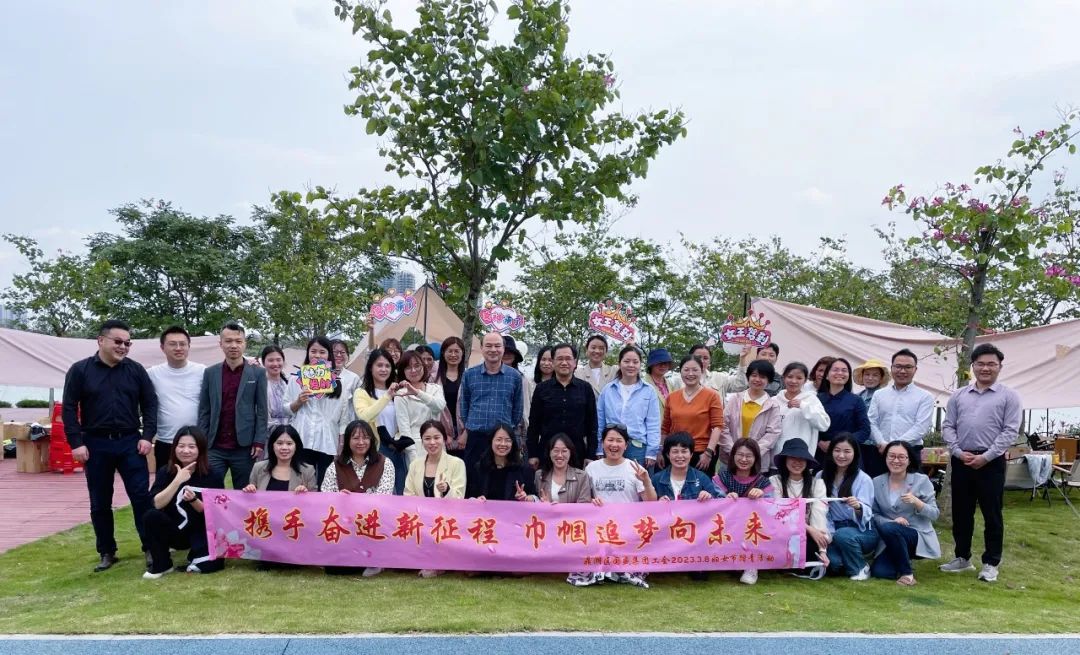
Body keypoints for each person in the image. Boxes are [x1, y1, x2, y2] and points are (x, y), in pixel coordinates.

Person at [63, 319, 158, 573]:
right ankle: (106, 551)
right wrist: (76, 443)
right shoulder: (80, 370)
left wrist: (147, 436)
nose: (123, 347)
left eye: (127, 343)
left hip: (130, 442)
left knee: (141, 497)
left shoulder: (136, 370)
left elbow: (150, 404)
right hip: (95, 444)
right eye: (118, 341)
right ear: (101, 340)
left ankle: (151, 547)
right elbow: (69, 408)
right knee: (100, 500)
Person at [939, 343, 1022, 584]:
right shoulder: (959, 395)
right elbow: (948, 426)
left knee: (992, 514)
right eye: (981, 364)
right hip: (961, 460)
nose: (986, 368)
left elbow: (1010, 431)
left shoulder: (1009, 396)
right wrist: (957, 451)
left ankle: (991, 562)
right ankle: (962, 557)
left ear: (1000, 367)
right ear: (973, 366)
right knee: (961, 512)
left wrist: (986, 456)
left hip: (992, 462)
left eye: (991, 364)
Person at [573, 425, 657, 588]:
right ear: (602, 443)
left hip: (628, 529)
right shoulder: (591, 468)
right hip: (600, 528)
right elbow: (583, 499)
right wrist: (592, 501)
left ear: (626, 445)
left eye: (619, 441)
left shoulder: (635, 468)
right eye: (610, 440)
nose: (614, 445)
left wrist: (646, 481)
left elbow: (651, 503)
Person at [142, 426, 224, 578]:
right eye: (181, 446)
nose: (186, 451)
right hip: (175, 529)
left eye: (191, 447)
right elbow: (156, 503)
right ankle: (162, 564)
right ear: (175, 448)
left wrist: (193, 500)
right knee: (151, 516)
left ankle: (197, 554)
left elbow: (216, 512)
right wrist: (177, 481)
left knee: (209, 566)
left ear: (200, 449)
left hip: (201, 530)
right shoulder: (165, 471)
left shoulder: (213, 474)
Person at [197, 321, 268, 490]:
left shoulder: (257, 373)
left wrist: (259, 441)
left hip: (244, 446)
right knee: (211, 491)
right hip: (214, 446)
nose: (233, 345)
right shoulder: (210, 373)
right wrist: (202, 441)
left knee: (245, 493)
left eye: (238, 341)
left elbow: (262, 410)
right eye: (228, 341)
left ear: (245, 344)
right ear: (220, 344)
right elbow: (204, 410)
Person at [320, 420, 395, 577]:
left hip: (373, 524)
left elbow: (384, 496)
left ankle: (374, 560)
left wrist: (354, 502)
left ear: (372, 440)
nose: (361, 442)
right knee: (334, 569)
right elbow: (326, 496)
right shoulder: (335, 465)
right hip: (345, 525)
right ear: (348, 440)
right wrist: (339, 498)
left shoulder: (385, 463)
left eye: (365, 438)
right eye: (355, 438)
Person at [871, 441, 940, 586]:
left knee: (891, 529)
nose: (896, 460)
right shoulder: (876, 482)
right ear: (885, 458)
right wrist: (891, 522)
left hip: (916, 534)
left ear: (909, 460)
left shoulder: (921, 480)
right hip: (890, 533)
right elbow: (874, 514)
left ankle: (907, 574)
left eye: (901, 457)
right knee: (880, 572)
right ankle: (902, 557)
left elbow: (934, 514)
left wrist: (917, 502)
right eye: (892, 456)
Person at [405, 420, 467, 578]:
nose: (432, 442)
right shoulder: (415, 465)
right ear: (422, 441)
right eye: (427, 438)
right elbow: (408, 494)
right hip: (421, 520)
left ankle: (439, 561)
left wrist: (447, 490)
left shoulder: (456, 463)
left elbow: (459, 497)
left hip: (446, 520)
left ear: (444, 439)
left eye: (436, 438)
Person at [287, 336, 351, 487]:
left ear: (329, 355)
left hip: (327, 442)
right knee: (301, 484)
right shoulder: (295, 379)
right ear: (308, 353)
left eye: (322, 352)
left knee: (326, 485)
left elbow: (344, 419)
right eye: (313, 351)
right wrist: (298, 402)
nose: (317, 355)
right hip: (302, 438)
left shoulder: (338, 383)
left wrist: (341, 444)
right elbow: (286, 409)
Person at [458, 332, 524, 471]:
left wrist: (507, 429)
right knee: (473, 477)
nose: (493, 350)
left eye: (497, 346)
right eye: (488, 346)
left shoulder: (515, 376)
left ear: (503, 348)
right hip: (476, 437)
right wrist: (470, 426)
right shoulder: (469, 374)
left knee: (500, 478)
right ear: (481, 348)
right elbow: (464, 406)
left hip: (502, 440)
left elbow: (517, 410)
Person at [714, 437, 775, 585]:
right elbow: (714, 503)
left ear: (756, 458)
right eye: (740, 455)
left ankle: (752, 566)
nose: (744, 459)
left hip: (751, 527)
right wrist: (726, 498)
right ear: (733, 456)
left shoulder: (763, 482)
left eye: (749, 456)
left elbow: (771, 509)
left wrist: (761, 496)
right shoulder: (721, 477)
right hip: (727, 524)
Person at [527, 342, 597, 469]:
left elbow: (592, 425)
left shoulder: (585, 388)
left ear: (575, 362)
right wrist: (533, 454)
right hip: (547, 452)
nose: (564, 362)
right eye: (559, 359)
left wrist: (590, 455)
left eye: (568, 358)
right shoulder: (542, 389)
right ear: (553, 362)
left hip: (577, 452)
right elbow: (533, 425)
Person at [818, 433, 877, 580]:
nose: (841, 455)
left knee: (843, 535)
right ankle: (851, 558)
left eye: (847, 451)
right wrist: (828, 533)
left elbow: (867, 513)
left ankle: (860, 567)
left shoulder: (864, 479)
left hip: (862, 530)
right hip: (833, 528)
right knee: (834, 564)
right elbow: (820, 510)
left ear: (855, 453)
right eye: (837, 450)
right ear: (831, 452)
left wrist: (858, 507)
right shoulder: (820, 476)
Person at [769, 439, 830, 579]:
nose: (797, 462)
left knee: (815, 550)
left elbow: (819, 515)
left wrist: (822, 550)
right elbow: (779, 514)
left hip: (807, 536)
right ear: (785, 460)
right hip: (782, 533)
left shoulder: (817, 484)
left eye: (801, 458)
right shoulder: (775, 481)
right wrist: (808, 528)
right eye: (792, 458)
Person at [147, 325, 206, 468]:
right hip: (165, 441)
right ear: (162, 347)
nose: (178, 348)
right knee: (165, 480)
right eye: (172, 344)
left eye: (182, 344)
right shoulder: (152, 374)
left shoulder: (203, 371)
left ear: (189, 346)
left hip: (196, 442)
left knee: (199, 480)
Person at [597, 345, 662, 468]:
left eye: (635, 362)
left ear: (640, 364)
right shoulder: (608, 390)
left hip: (637, 447)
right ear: (619, 363)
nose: (631, 365)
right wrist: (599, 448)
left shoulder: (649, 391)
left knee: (638, 479)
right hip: (611, 445)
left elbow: (653, 423)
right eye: (626, 361)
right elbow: (600, 421)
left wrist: (652, 451)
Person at [868, 349, 934, 468]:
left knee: (911, 481)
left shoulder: (925, 397)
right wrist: (881, 442)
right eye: (898, 366)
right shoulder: (879, 395)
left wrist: (894, 446)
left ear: (915, 369)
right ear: (891, 368)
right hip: (880, 451)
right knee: (878, 480)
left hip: (910, 452)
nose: (902, 371)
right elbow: (871, 421)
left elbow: (921, 427)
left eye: (908, 367)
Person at [352, 348, 405, 494]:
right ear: (370, 367)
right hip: (377, 447)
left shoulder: (398, 392)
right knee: (378, 493)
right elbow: (364, 416)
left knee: (401, 491)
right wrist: (387, 396)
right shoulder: (362, 392)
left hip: (398, 447)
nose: (384, 369)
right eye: (379, 365)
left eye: (387, 366)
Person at [660, 355, 723, 472]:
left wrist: (708, 452)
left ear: (702, 371)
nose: (690, 374)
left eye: (695, 370)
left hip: (701, 454)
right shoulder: (672, 397)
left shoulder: (712, 396)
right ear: (680, 372)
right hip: (676, 452)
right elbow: (665, 428)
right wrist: (660, 451)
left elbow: (717, 426)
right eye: (686, 370)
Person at [719, 360, 783, 466]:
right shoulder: (735, 399)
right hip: (730, 458)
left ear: (769, 380)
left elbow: (773, 433)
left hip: (757, 461)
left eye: (762, 377)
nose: (757, 379)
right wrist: (733, 450)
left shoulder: (772, 406)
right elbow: (723, 425)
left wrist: (753, 453)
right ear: (748, 376)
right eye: (754, 375)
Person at [394, 350, 447, 470]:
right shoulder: (401, 394)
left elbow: (439, 406)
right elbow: (404, 429)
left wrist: (417, 393)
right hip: (415, 447)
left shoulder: (435, 388)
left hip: (436, 443)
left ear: (423, 366)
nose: (413, 370)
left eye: (417, 365)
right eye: (408, 367)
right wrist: (413, 458)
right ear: (403, 371)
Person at [816, 357, 870, 464]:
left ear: (848, 376)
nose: (840, 373)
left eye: (844, 370)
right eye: (835, 370)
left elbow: (865, 430)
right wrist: (819, 442)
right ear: (827, 375)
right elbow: (809, 426)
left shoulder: (856, 400)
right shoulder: (816, 399)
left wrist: (842, 443)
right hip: (821, 453)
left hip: (848, 455)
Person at [773, 362, 830, 463]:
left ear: (805, 380)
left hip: (802, 460)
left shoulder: (811, 399)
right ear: (783, 378)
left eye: (799, 378)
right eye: (790, 377)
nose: (794, 381)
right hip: (776, 459)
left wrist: (803, 406)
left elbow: (824, 424)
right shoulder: (774, 401)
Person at [467, 423, 538, 501]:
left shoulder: (523, 470)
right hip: (485, 509)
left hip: (513, 509)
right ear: (491, 441)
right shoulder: (479, 468)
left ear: (513, 443)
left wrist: (526, 498)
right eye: (499, 439)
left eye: (507, 440)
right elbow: (469, 497)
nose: (503, 444)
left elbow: (535, 497)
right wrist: (476, 499)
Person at [243, 425, 317, 492]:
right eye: (279, 443)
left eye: (289, 444)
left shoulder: (307, 471)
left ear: (296, 446)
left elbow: (315, 499)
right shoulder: (258, 467)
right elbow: (251, 499)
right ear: (272, 445)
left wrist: (306, 494)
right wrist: (249, 490)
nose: (284, 447)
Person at [651, 432, 718, 501]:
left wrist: (708, 496)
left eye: (684, 451)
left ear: (691, 454)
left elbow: (717, 501)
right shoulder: (656, 479)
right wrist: (658, 503)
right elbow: (648, 504)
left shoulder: (702, 478)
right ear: (668, 455)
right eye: (675, 452)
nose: (680, 456)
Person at [669, 343, 752, 396]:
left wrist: (742, 358)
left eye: (705, 358)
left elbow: (741, 385)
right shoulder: (677, 380)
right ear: (690, 357)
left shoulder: (719, 378)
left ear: (710, 361)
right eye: (698, 357)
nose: (702, 361)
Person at [535, 433, 595, 504]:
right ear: (549, 453)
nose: (560, 455)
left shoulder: (582, 476)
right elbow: (535, 502)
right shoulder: (540, 475)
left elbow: (584, 506)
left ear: (570, 453)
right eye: (556, 451)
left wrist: (556, 508)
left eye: (564, 451)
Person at [434, 336, 466, 457]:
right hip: (442, 435)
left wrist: (466, 434)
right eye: (450, 351)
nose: (453, 355)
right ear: (443, 353)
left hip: (465, 435)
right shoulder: (433, 378)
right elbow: (431, 409)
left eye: (457, 351)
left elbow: (475, 407)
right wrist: (443, 434)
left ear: (462, 353)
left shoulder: (469, 376)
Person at [501, 335, 532, 456]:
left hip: (517, 429)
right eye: (504, 352)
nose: (507, 355)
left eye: (510, 352)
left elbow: (527, 407)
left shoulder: (523, 379)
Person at [260, 345, 291, 431]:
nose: (275, 364)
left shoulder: (289, 384)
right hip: (268, 433)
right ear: (263, 362)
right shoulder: (260, 385)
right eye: (271, 360)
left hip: (290, 433)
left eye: (278, 360)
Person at [331, 339, 361, 425]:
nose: (339, 355)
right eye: (335, 352)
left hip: (346, 426)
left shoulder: (354, 378)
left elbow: (359, 406)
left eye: (342, 352)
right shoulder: (321, 377)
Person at [643, 348, 674, 417]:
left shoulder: (670, 384)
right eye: (659, 363)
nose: (663, 366)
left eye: (665, 363)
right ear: (651, 365)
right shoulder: (643, 384)